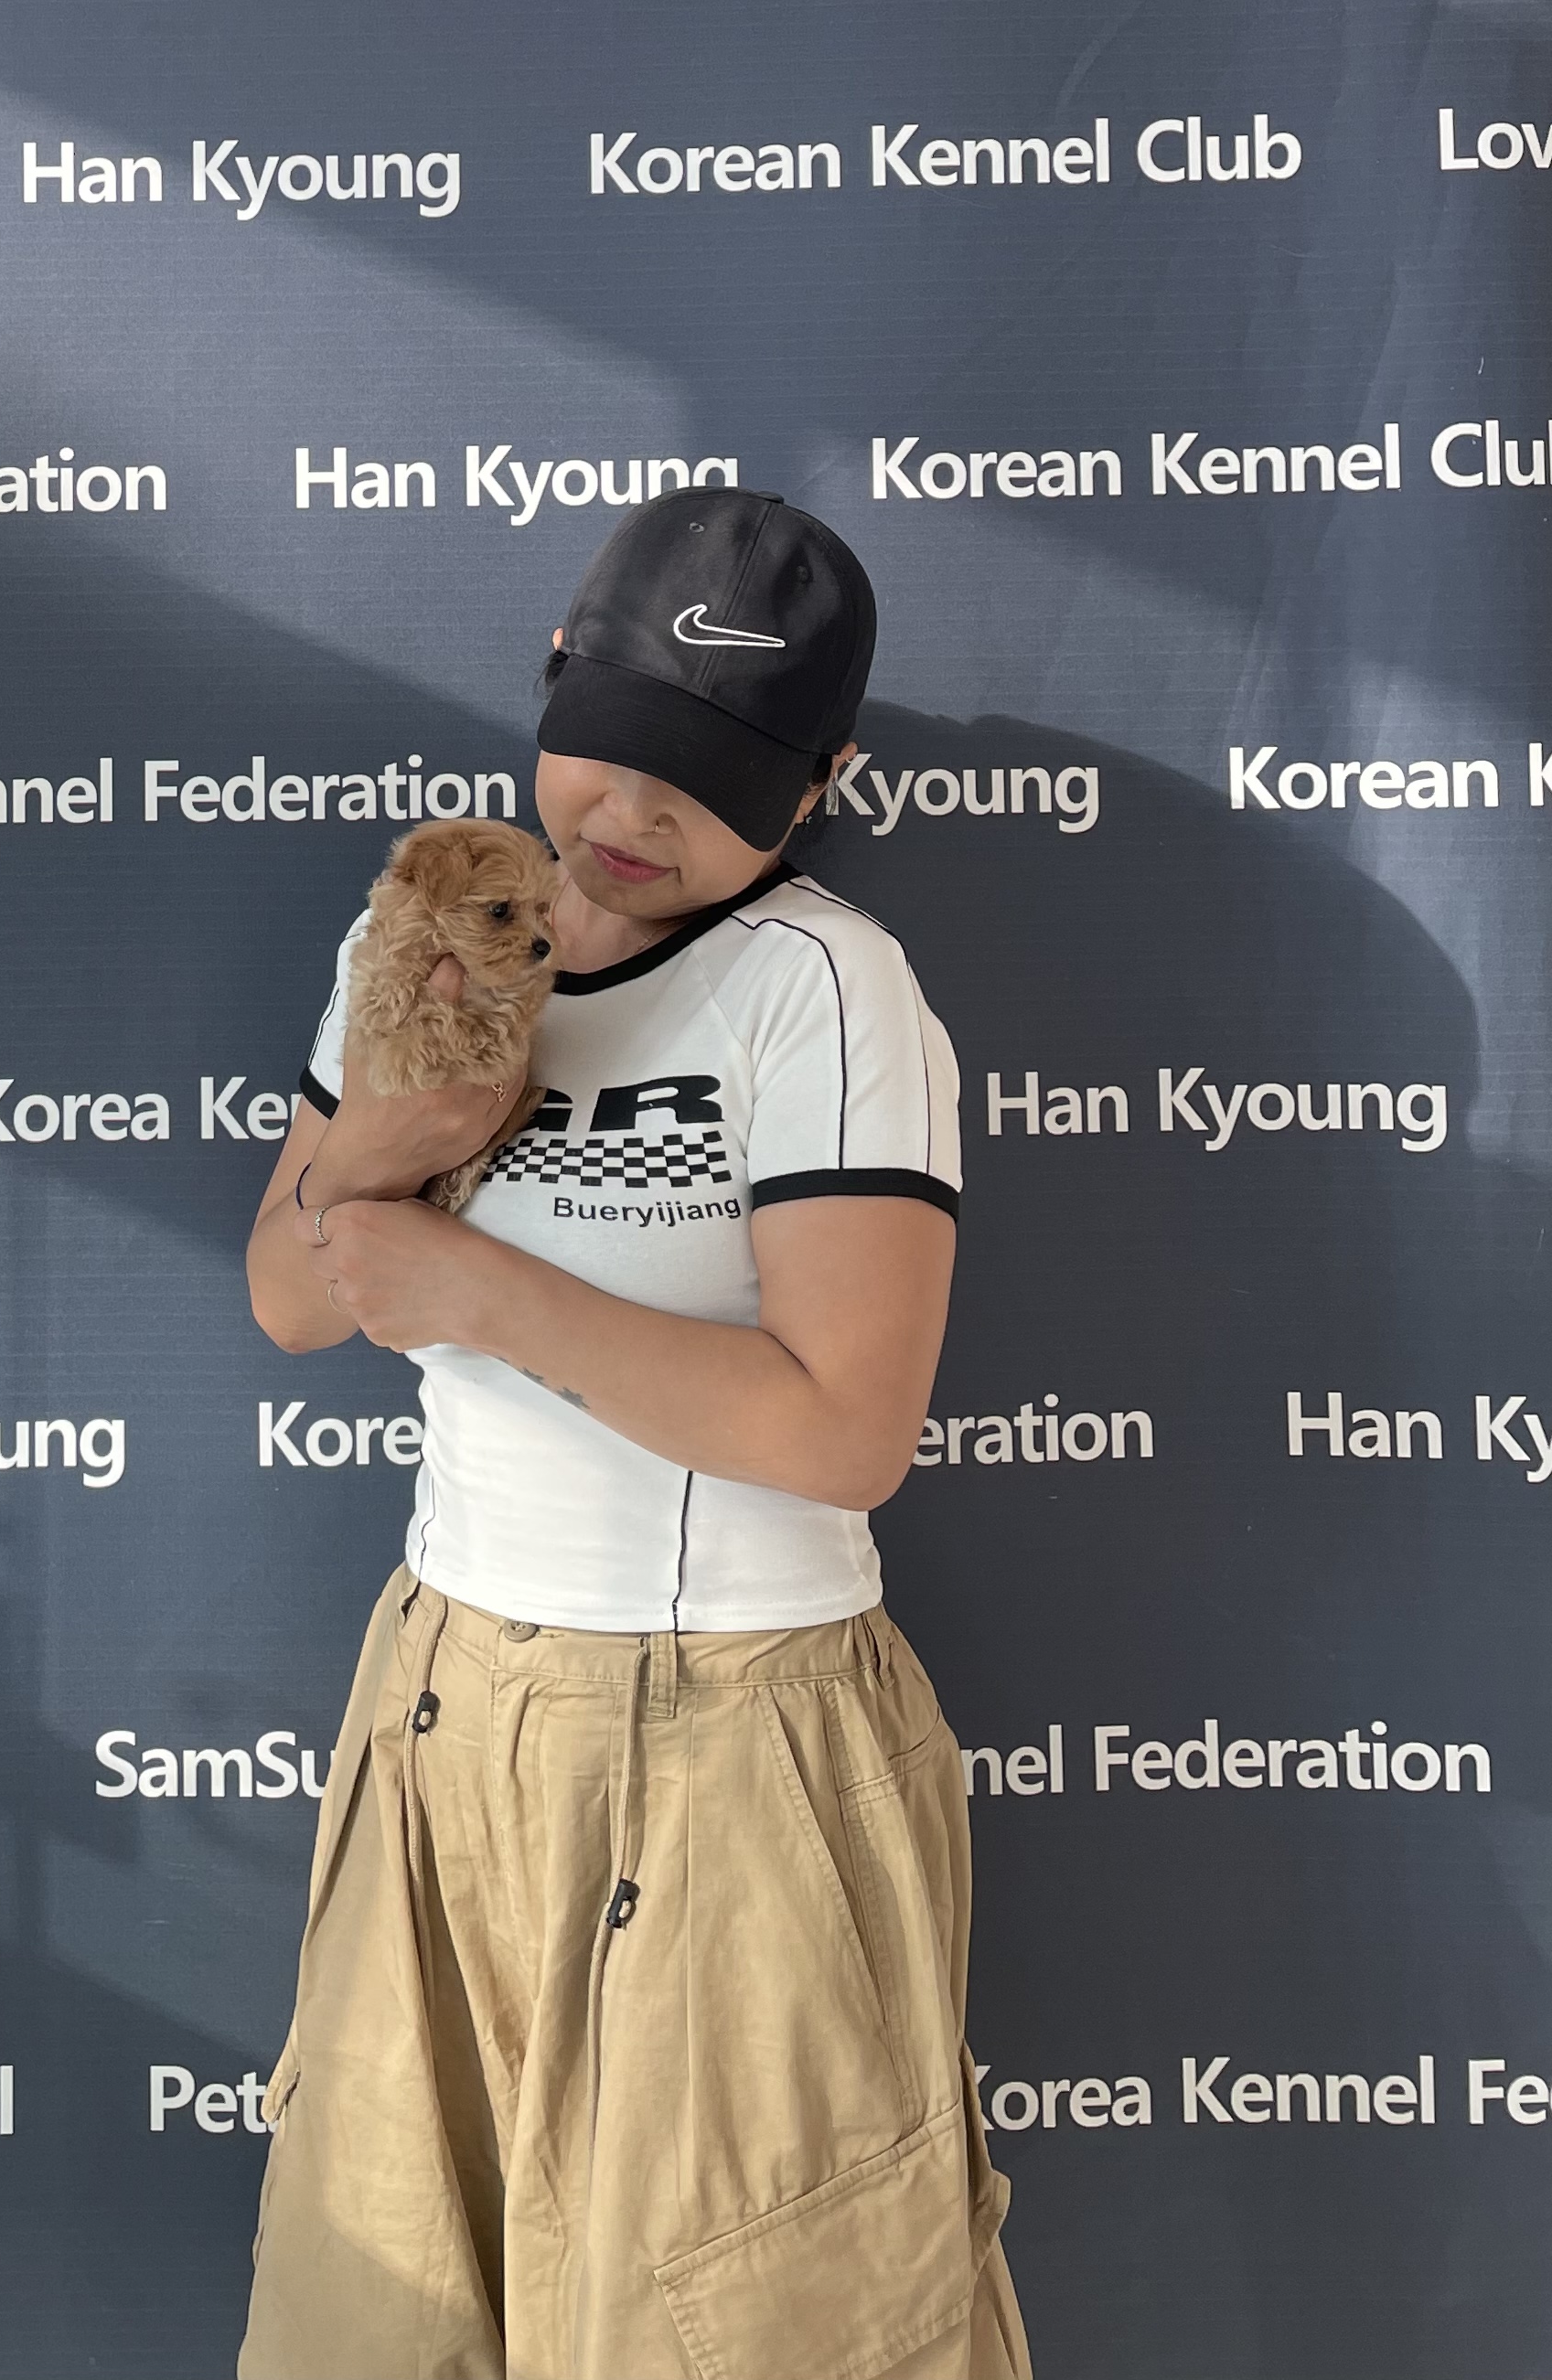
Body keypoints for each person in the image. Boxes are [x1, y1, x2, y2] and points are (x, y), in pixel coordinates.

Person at [237, 491, 1029, 2380]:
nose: (636, 815)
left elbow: (847, 1430)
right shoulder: (430, 930)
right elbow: (286, 1292)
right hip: (446, 1703)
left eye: (713, 781)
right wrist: (386, 1152)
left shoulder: (823, 984)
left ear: (819, 786)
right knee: (385, 2319)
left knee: (742, 2333)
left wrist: (480, 1285)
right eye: (618, 742)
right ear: (555, 679)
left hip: (734, 1732)